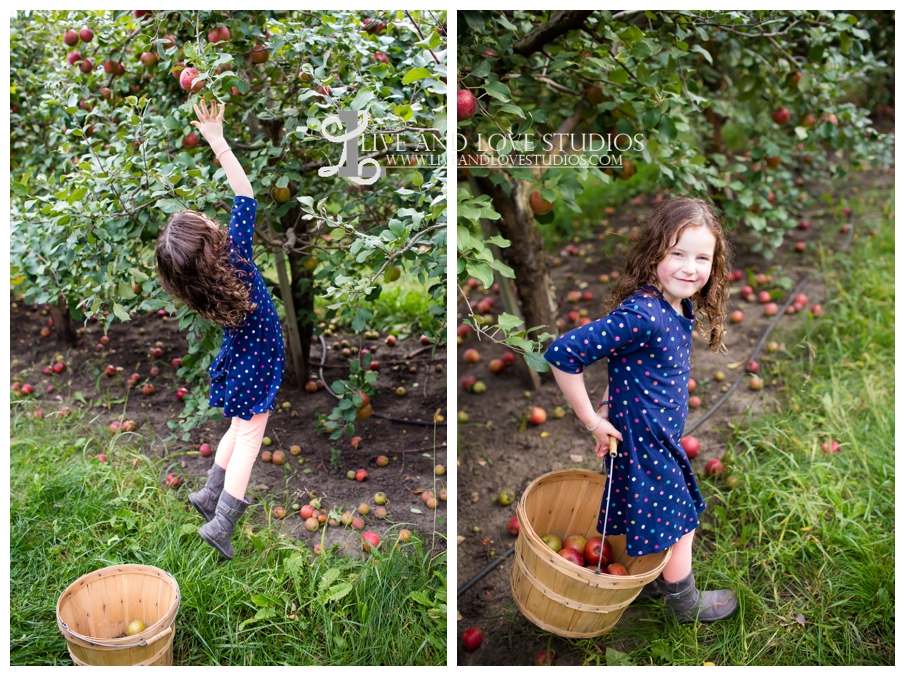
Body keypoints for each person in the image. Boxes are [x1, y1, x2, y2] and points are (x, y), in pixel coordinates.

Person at [543, 196, 738, 622]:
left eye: (702, 257)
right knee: (681, 521)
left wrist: (612, 401)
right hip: (646, 441)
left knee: (658, 514)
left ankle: (651, 584)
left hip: (655, 434)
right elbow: (561, 354)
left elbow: (629, 365)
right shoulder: (643, 314)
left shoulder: (676, 304)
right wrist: (593, 421)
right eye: (677, 254)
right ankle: (682, 603)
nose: (691, 267)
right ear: (653, 257)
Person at [155, 100, 285, 560]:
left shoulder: (202, 286)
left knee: (237, 426)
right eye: (208, 223)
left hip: (241, 359)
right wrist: (217, 140)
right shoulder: (238, 261)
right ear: (212, 239)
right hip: (258, 359)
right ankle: (222, 525)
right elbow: (244, 192)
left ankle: (210, 495)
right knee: (250, 438)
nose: (215, 221)